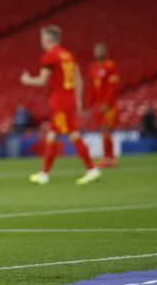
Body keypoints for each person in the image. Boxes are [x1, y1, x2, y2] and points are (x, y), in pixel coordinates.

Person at [20, 25, 101, 185]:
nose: (41, 41)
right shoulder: (68, 55)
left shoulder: (50, 56)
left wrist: (27, 80)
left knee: (73, 134)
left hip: (60, 102)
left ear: (48, 39)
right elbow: (78, 78)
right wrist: (78, 100)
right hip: (68, 99)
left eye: (42, 38)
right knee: (52, 135)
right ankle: (44, 174)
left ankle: (92, 169)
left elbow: (43, 80)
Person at [87, 42, 120, 168]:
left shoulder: (111, 66)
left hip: (108, 105)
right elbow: (92, 87)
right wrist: (90, 102)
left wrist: (106, 102)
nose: (98, 52)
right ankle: (108, 158)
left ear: (106, 51)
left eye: (101, 49)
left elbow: (113, 87)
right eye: (96, 49)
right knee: (103, 130)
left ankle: (109, 158)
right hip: (98, 104)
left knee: (106, 129)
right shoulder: (93, 67)